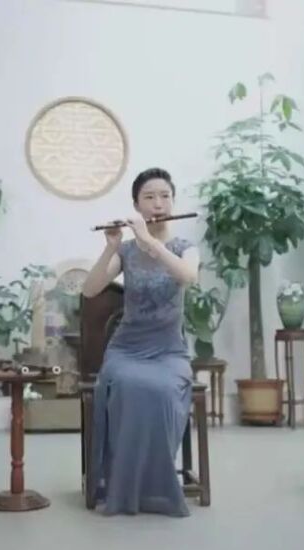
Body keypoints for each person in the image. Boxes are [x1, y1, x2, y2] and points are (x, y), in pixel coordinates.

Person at [81, 167, 200, 517]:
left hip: (169, 350)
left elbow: (187, 276)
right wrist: (110, 249)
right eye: (149, 197)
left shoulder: (185, 248)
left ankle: (156, 488)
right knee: (129, 386)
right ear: (136, 205)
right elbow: (89, 290)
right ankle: (124, 485)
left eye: (165, 196)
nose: (158, 203)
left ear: (173, 201)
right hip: (127, 349)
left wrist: (152, 243)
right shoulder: (127, 251)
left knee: (161, 391)